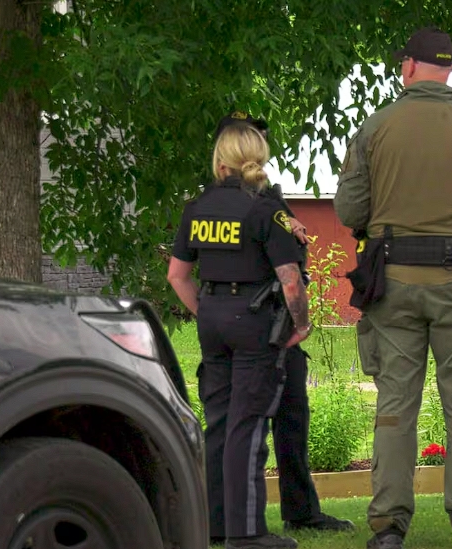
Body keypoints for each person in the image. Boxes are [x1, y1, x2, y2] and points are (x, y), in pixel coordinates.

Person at [333, 27, 452, 549]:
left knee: (395, 406)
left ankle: (388, 529)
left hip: (391, 283)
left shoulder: (374, 129)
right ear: (449, 69)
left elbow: (348, 209)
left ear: (409, 68)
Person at [212, 113, 356, 538]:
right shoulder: (234, 203)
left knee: (290, 414)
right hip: (256, 325)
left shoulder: (268, 197)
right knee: (237, 426)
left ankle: (299, 510)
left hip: (268, 323)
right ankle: (228, 522)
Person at [167, 123, 310, 549]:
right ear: (258, 156)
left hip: (211, 316)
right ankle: (246, 534)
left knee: (219, 422)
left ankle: (215, 526)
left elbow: (177, 276)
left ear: (220, 160)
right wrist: (301, 324)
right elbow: (290, 279)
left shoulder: (197, 208)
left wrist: (209, 312)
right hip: (253, 320)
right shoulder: (266, 210)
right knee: (247, 426)